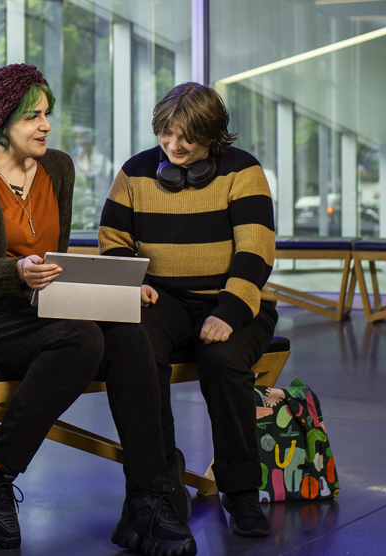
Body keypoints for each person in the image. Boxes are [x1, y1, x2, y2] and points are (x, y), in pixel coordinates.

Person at [0, 64, 195, 556]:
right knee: (81, 339)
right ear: (0, 123)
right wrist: (17, 273)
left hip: (40, 304)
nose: (45, 126)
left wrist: (112, 289)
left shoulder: (58, 167)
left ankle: (146, 496)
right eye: (32, 116)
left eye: (47, 114)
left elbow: (58, 255)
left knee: (128, 331)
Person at [98, 81, 277, 538]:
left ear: (213, 137)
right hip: (164, 300)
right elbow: (113, 241)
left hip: (235, 300)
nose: (174, 146)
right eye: (166, 134)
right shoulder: (136, 173)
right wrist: (131, 282)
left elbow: (255, 253)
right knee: (136, 351)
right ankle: (159, 486)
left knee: (222, 359)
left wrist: (229, 312)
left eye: (187, 139)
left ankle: (240, 493)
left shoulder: (244, 172)